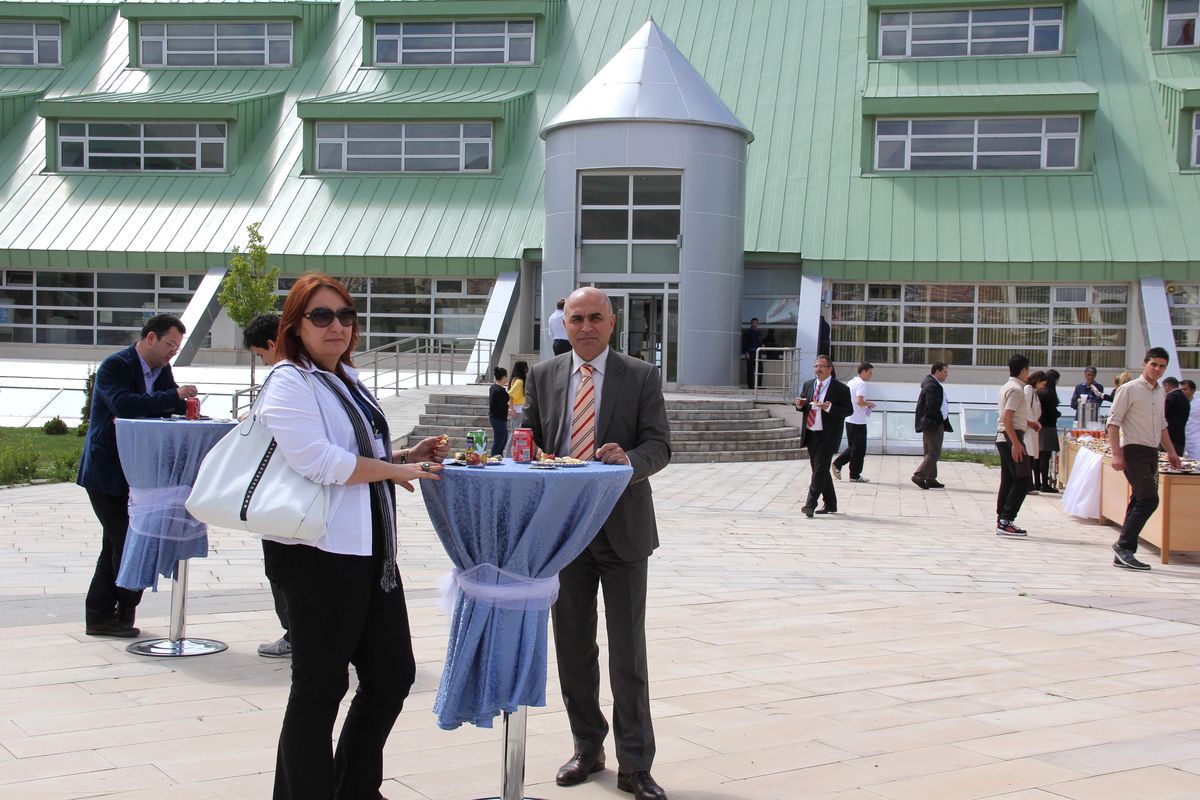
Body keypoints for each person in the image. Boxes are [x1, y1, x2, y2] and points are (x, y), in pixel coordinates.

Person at [256, 273, 447, 800]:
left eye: (345, 315)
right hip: (315, 555)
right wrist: (393, 471)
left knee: (392, 676)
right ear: (295, 325)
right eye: (321, 316)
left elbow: (358, 454)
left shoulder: (346, 379)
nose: (336, 326)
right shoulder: (288, 380)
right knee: (320, 689)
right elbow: (318, 461)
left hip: (370, 553)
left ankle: (354, 789)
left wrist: (403, 456)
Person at [523, 286, 672, 800]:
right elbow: (527, 439)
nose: (585, 327)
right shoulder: (542, 376)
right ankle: (587, 746)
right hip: (564, 533)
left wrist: (629, 461)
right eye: (576, 318)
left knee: (628, 653)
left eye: (594, 318)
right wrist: (527, 453)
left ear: (612, 323)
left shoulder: (641, 375)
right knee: (573, 649)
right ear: (564, 325)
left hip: (623, 530)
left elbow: (660, 445)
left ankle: (636, 764)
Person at [77, 313, 198, 638]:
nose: (172, 351)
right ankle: (119, 612)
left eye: (177, 347)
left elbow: (163, 407)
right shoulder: (115, 366)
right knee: (127, 542)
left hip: (141, 472)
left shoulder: (162, 371)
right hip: (107, 473)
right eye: (170, 344)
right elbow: (125, 405)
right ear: (150, 338)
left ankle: (106, 615)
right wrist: (173, 397)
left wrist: (182, 404)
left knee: (118, 543)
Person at [242, 313, 292, 659]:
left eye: (261, 354)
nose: (263, 362)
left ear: (273, 344)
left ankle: (296, 634)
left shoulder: (284, 376)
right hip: (291, 494)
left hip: (280, 493)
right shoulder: (314, 373)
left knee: (280, 569)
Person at [1106, 348, 1183, 570]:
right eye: (1154, 364)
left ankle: (1124, 552)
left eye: (1162, 366)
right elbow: (1113, 422)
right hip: (1133, 450)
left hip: (1151, 452)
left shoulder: (1160, 392)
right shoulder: (1129, 389)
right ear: (1144, 364)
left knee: (1139, 498)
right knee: (1149, 500)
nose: (1157, 369)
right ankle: (1123, 546)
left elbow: (1162, 425)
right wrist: (1117, 454)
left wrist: (1171, 452)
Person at [794, 354, 852, 517]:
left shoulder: (840, 388)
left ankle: (810, 505)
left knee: (819, 470)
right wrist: (800, 405)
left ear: (830, 369)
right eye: (816, 366)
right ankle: (831, 503)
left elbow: (848, 410)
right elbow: (803, 404)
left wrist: (829, 408)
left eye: (821, 366)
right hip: (811, 433)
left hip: (828, 436)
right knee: (820, 469)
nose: (818, 369)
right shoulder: (809, 384)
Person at [996, 354, 1041, 537]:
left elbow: (1010, 416)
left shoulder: (1007, 387)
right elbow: (1007, 418)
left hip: (1006, 436)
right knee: (1023, 479)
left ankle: (1002, 518)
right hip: (1011, 437)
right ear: (1024, 370)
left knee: (1009, 479)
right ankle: (1006, 519)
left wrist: (1029, 423)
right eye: (1028, 369)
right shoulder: (1017, 390)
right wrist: (1016, 443)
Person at [832, 361, 875, 483]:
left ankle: (838, 464)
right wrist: (869, 404)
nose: (871, 375)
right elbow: (859, 401)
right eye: (870, 373)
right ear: (863, 372)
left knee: (853, 447)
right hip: (858, 421)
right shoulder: (862, 384)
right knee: (859, 450)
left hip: (849, 419)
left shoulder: (851, 382)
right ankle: (854, 474)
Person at [912, 362, 952, 489]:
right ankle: (919, 475)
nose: (946, 375)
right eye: (945, 372)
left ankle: (930, 477)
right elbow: (932, 406)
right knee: (934, 452)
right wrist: (940, 418)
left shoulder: (933, 384)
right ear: (937, 371)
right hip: (933, 423)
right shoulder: (932, 385)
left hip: (932, 422)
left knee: (930, 451)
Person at [1036, 369, 1062, 493]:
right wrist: (1058, 414)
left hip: (1039, 425)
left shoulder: (1040, 392)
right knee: (1046, 456)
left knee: (1038, 456)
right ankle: (1044, 484)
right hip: (1048, 426)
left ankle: (1037, 482)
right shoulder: (1050, 393)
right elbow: (1052, 411)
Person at [1023, 371, 1045, 496]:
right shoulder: (1028, 389)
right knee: (1029, 457)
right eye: (1042, 384)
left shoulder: (1033, 391)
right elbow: (1026, 407)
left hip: (1032, 427)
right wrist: (1031, 421)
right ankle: (1027, 485)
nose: (1043, 387)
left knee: (1031, 457)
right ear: (1037, 381)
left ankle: (1028, 485)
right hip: (1028, 428)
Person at [1165, 377, 1192, 455]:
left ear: (1167, 385)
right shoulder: (1185, 399)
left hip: (1169, 438)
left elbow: (1162, 415)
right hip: (1180, 439)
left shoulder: (1170, 397)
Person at [488, 366, 511, 457]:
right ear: (503, 377)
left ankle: (498, 455)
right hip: (498, 418)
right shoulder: (499, 390)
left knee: (503, 438)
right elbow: (502, 405)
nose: (507, 378)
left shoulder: (493, 387)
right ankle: (494, 456)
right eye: (506, 376)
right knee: (499, 439)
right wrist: (508, 409)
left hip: (496, 417)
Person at [741, 317, 765, 389]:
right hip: (750, 353)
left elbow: (760, 342)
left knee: (760, 369)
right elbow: (744, 343)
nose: (755, 324)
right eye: (753, 323)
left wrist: (763, 346)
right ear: (751, 324)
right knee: (750, 370)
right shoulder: (747, 332)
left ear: (758, 324)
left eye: (756, 323)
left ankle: (759, 385)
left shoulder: (759, 333)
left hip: (758, 353)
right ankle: (751, 386)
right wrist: (746, 352)